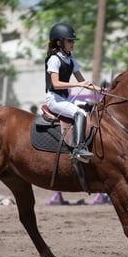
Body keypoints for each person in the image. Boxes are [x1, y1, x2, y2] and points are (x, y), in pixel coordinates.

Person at [45, 22, 100, 162]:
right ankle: (78, 149)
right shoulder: (54, 60)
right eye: (69, 41)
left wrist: (102, 90)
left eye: (73, 41)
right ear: (59, 42)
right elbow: (56, 84)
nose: (72, 44)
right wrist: (78, 84)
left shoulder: (71, 60)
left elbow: (84, 82)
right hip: (54, 99)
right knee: (80, 113)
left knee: (91, 107)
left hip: (66, 99)